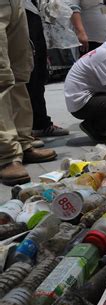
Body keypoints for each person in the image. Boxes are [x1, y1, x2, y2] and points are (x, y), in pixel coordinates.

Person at [0, 1, 57, 186]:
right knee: (1, 76)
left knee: (20, 75)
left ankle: (23, 143)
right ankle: (7, 155)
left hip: (19, 4)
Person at [25, 0, 70, 138]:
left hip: (33, 11)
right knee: (27, 75)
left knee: (39, 73)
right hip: (20, 12)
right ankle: (25, 130)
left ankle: (40, 123)